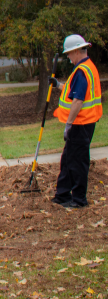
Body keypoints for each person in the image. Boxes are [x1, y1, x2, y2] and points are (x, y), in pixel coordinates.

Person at [50, 34, 102, 208]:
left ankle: (79, 200)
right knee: (67, 159)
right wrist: (58, 85)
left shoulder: (82, 71)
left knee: (77, 161)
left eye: (69, 54)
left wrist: (69, 124)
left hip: (81, 124)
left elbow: (78, 100)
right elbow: (72, 91)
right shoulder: (86, 68)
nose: (68, 57)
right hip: (82, 123)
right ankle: (62, 195)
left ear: (77, 51)